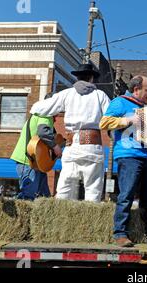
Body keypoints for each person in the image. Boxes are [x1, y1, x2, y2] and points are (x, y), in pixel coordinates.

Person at [30, 64, 110, 202]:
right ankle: (89, 222)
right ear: (91, 78)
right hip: (92, 147)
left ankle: (61, 221)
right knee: (93, 190)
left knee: (64, 190)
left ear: (77, 78)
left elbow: (39, 108)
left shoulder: (67, 94)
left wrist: (34, 108)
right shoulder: (100, 95)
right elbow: (111, 119)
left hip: (72, 147)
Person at [100, 75, 147, 247]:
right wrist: (128, 120)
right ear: (136, 89)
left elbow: (144, 134)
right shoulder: (120, 102)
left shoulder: (144, 107)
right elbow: (104, 122)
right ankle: (120, 233)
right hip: (127, 154)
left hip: (144, 154)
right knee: (126, 195)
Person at [11, 94, 62, 200]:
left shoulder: (39, 113)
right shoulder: (45, 114)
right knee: (29, 196)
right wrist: (55, 147)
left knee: (44, 197)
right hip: (29, 161)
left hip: (36, 162)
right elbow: (43, 132)